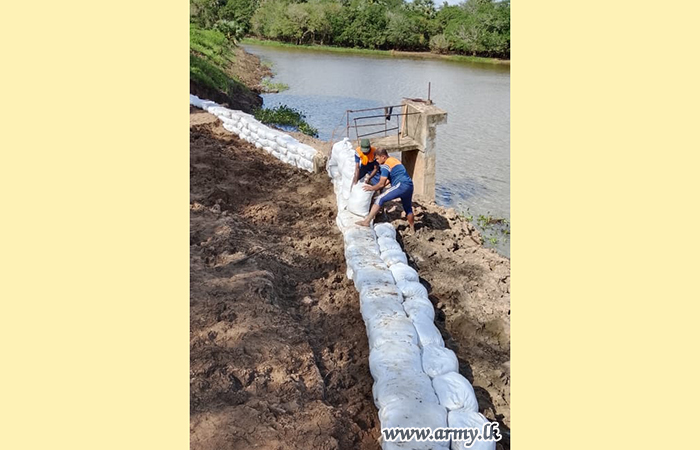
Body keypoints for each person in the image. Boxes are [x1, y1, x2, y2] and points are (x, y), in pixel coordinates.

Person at [356, 148, 415, 232]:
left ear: (383, 157)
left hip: (400, 185)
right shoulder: (394, 160)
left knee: (379, 199)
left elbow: (381, 183)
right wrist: (380, 187)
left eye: (377, 159)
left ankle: (366, 222)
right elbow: (388, 180)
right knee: (408, 208)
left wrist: (371, 188)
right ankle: (412, 229)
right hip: (409, 185)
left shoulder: (385, 165)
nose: (377, 161)